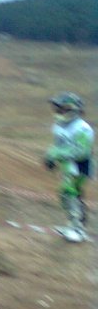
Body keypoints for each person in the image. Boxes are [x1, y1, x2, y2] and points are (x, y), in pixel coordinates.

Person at [44, 92, 94, 243]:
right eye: (57, 108)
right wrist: (50, 155)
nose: (58, 111)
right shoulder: (58, 126)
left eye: (62, 108)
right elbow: (58, 145)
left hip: (80, 166)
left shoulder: (83, 128)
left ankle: (78, 229)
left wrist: (57, 154)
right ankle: (73, 225)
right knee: (68, 195)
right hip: (67, 165)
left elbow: (82, 151)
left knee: (69, 193)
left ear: (72, 110)